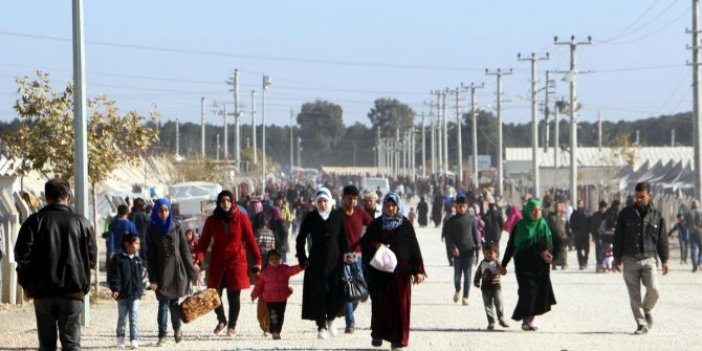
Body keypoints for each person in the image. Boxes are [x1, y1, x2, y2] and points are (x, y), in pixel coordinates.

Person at [14, 178, 97, 351]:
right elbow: (92, 259)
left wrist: (27, 285)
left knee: (46, 344)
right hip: (73, 291)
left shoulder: (34, 222)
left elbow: (22, 257)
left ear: (46, 196)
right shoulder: (82, 223)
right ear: (68, 196)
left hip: (43, 292)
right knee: (72, 344)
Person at [361, 193, 425, 351]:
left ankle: (398, 339)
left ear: (397, 206)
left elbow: (414, 248)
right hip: (379, 273)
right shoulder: (376, 224)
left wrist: (418, 270)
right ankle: (378, 334)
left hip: (401, 274)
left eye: (393, 206)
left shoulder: (405, 225)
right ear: (383, 206)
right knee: (379, 304)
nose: (390, 209)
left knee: (400, 307)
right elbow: (364, 243)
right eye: (387, 206)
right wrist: (376, 245)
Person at [195, 190, 262, 337]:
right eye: (222, 201)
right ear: (219, 203)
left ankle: (232, 326)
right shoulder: (212, 221)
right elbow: (203, 243)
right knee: (214, 294)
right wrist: (198, 261)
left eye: (228, 201)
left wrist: (257, 261)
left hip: (236, 262)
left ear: (232, 202)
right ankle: (222, 319)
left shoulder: (242, 218)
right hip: (217, 262)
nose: (225, 204)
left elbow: (251, 241)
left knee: (234, 296)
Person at [613, 182, 669, 335]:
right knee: (634, 296)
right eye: (636, 197)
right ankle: (641, 324)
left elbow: (662, 239)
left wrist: (665, 260)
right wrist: (616, 257)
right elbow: (618, 237)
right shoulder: (625, 214)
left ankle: (647, 309)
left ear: (649, 195)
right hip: (629, 259)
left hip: (649, 259)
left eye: (642, 197)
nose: (638, 199)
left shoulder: (657, 215)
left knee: (654, 290)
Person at [295, 187, 350, 339]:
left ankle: (331, 319)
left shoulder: (338, 216)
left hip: (336, 263)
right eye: (319, 201)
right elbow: (300, 239)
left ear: (330, 201)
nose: (323, 204)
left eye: (325, 201)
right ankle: (321, 326)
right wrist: (302, 258)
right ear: (315, 202)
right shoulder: (311, 217)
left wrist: (348, 258)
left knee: (334, 294)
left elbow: (343, 240)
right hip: (316, 263)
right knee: (319, 295)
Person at [146, 198, 198, 347]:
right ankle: (162, 335)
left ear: (169, 210)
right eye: (160, 210)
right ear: (156, 211)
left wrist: (192, 273)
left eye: (166, 210)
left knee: (174, 304)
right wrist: (153, 278)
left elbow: (184, 250)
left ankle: (177, 330)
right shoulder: (151, 229)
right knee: (163, 304)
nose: (163, 213)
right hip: (161, 272)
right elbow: (150, 256)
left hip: (177, 270)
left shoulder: (176, 226)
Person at [500, 198, 556, 331]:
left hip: (540, 266)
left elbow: (549, 243)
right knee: (528, 291)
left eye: (539, 210)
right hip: (523, 265)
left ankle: (529, 320)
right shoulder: (520, 226)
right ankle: (526, 319)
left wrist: (548, 253)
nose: (537, 213)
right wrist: (504, 264)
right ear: (527, 211)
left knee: (538, 293)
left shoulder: (543, 225)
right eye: (533, 210)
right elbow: (511, 246)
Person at [339, 185, 372, 334]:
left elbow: (372, 225)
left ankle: (348, 311)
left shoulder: (360, 212)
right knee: (347, 291)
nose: (352, 201)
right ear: (343, 198)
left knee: (359, 293)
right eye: (349, 198)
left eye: (354, 199)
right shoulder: (337, 215)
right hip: (342, 259)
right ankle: (350, 323)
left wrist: (365, 240)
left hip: (357, 258)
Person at [251, 249, 304, 340]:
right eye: (272, 259)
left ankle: (277, 330)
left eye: (276, 258)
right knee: (273, 315)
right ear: (268, 261)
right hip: (270, 299)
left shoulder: (285, 269)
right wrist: (254, 295)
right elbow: (259, 285)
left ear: (281, 259)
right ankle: (274, 331)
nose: (274, 261)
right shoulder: (265, 272)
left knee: (280, 316)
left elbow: (294, 269)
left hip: (282, 298)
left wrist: (302, 266)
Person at [108, 234, 146, 349]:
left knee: (134, 316)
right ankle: (120, 339)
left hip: (134, 294)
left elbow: (143, 275)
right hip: (122, 294)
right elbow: (115, 276)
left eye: (139, 244)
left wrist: (147, 285)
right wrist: (115, 289)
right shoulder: (118, 259)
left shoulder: (138, 260)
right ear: (127, 244)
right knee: (122, 318)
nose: (138, 246)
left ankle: (134, 339)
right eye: (136, 243)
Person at [443, 195, 480, 305]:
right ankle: (458, 289)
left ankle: (465, 297)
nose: (462, 208)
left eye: (464, 206)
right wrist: (453, 248)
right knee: (457, 277)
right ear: (456, 206)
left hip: (469, 251)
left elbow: (475, 234)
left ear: (467, 206)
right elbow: (448, 237)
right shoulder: (451, 220)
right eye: (460, 206)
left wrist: (477, 247)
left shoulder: (471, 219)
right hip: (457, 253)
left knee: (468, 276)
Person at [474, 243, 509, 330]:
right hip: (485, 289)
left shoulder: (498, 263)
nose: (489, 255)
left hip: (496, 287)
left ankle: (501, 318)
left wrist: (500, 268)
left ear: (496, 254)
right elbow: (478, 273)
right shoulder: (482, 263)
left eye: (491, 253)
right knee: (488, 305)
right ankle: (491, 321)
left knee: (499, 303)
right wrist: (476, 281)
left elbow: (504, 272)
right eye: (486, 253)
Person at [546, 199, 569, 270]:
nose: (559, 208)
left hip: (563, 236)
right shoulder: (551, 216)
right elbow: (547, 226)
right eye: (557, 206)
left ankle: (563, 263)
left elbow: (567, 226)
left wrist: (569, 235)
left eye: (560, 206)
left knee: (563, 250)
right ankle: (554, 264)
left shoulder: (564, 216)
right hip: (553, 236)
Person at [570, 200, 591, 270]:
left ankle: (585, 260)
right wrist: (574, 231)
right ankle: (581, 263)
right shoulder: (574, 214)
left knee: (587, 249)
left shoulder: (586, 213)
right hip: (578, 234)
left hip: (585, 234)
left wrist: (589, 231)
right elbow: (571, 223)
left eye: (581, 204)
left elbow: (590, 222)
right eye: (579, 204)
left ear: (583, 204)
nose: (580, 205)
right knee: (579, 250)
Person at [590, 200, 608, 273]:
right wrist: (593, 236)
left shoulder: (608, 215)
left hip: (608, 236)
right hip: (598, 235)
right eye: (602, 207)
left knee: (607, 250)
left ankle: (606, 265)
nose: (603, 209)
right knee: (599, 251)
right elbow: (592, 226)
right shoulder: (595, 215)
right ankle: (599, 264)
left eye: (604, 207)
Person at [686, 200, 702, 272]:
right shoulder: (701, 212)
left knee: (693, 249)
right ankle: (699, 262)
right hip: (700, 232)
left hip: (691, 232)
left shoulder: (688, 213)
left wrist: (688, 227)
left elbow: (684, 223)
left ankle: (694, 265)